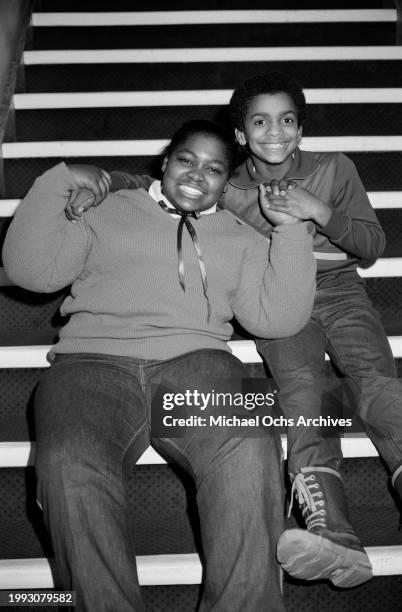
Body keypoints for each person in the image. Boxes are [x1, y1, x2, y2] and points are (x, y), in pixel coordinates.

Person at [75, 73, 402, 591]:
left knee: (377, 380)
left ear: (301, 128)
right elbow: (162, 183)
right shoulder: (226, 183)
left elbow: (371, 245)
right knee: (301, 393)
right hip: (274, 296)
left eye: (288, 120)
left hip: (340, 290)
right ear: (242, 135)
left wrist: (319, 212)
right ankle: (334, 531)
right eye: (260, 122)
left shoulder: (334, 168)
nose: (276, 132)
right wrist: (106, 181)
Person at [3, 120, 316, 612]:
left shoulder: (240, 236)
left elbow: (279, 319)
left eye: (214, 169)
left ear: (226, 182)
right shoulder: (106, 208)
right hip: (90, 361)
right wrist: (59, 180)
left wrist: (293, 230)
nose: (197, 174)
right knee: (69, 465)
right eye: (187, 160)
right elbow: (30, 272)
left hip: (200, 363)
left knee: (249, 450)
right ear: (165, 160)